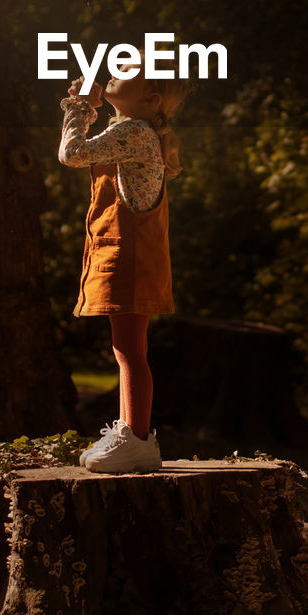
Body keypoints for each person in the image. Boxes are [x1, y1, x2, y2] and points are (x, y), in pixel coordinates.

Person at [58, 54, 190, 473]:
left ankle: (136, 439)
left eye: (127, 75)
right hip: (127, 252)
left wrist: (80, 106)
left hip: (130, 254)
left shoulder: (133, 132)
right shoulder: (130, 130)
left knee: (130, 350)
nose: (115, 74)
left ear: (150, 99)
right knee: (128, 349)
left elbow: (71, 153)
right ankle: (130, 434)